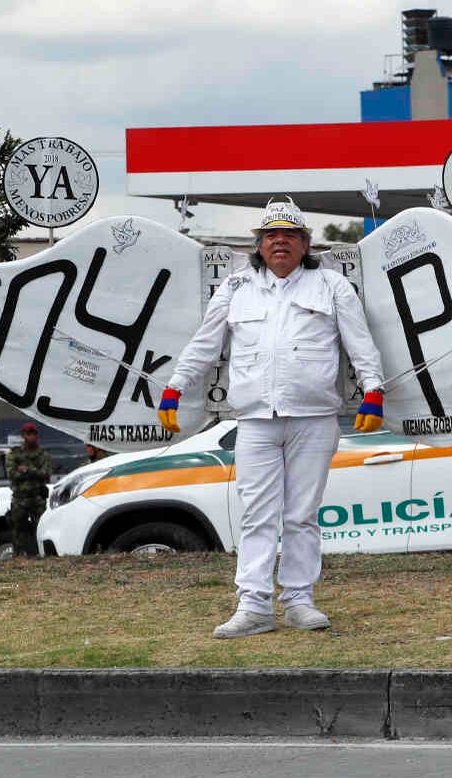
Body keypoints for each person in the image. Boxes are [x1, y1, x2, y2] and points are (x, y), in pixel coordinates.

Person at [158, 197, 386, 639]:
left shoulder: (333, 287)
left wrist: (374, 391)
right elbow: (206, 344)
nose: (279, 241)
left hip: (315, 418)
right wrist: (175, 386)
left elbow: (360, 343)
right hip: (255, 420)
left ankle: (300, 601)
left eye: (289, 235)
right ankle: (254, 606)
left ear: (305, 244)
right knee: (256, 515)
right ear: (259, 245)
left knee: (302, 514)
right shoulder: (236, 288)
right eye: (270, 235)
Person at [6, 422, 52, 557]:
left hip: (38, 498)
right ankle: (19, 555)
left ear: (37, 436)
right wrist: (35, 472)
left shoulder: (43, 454)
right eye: (28, 434)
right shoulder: (15, 454)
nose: (31, 437)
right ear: (23, 436)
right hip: (20, 499)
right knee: (18, 530)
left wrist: (26, 470)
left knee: (41, 528)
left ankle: (42, 554)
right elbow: (12, 474)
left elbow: (46, 474)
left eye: (33, 434)